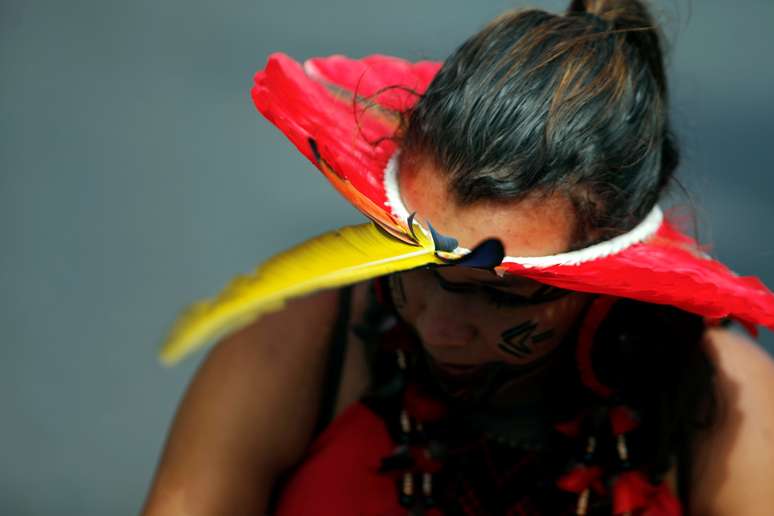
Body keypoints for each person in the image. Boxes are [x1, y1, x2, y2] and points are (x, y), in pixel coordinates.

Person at [142, 1, 774, 514]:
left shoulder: (725, 406)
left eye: (502, 294)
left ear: (611, 278)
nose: (439, 325)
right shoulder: (296, 351)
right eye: (415, 265)